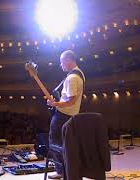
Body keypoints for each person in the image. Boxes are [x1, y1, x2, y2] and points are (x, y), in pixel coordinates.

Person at [47, 50, 85, 179]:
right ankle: (66, 170)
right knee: (65, 145)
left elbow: (71, 101)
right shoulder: (80, 73)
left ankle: (60, 171)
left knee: (54, 142)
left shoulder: (71, 78)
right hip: (71, 116)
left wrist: (55, 104)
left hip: (63, 116)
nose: (60, 65)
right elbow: (69, 98)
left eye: (62, 62)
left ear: (69, 60)